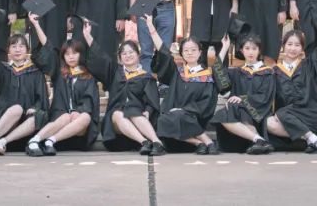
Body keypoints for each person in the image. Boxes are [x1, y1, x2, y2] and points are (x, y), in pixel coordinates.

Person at [265, 7, 317, 154]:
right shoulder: (274, 72)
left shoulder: (308, 65)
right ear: (283, 47)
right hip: (289, 118)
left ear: (302, 49)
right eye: (289, 44)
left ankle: (308, 138)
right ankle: (312, 139)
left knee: (281, 113)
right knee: (268, 122)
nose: (292, 48)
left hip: (310, 112)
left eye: (297, 45)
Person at [26, 15, 101, 155]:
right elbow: (48, 46)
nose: (71, 57)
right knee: (66, 116)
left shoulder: (88, 76)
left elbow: (89, 101)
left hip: (79, 129)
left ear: (81, 54)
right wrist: (36, 25)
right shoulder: (59, 73)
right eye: (67, 54)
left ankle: (50, 141)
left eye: (74, 53)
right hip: (60, 120)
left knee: (85, 116)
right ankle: (34, 141)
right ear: (63, 57)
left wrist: (78, 111)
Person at [85, 28, 167, 155]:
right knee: (117, 113)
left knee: (132, 111)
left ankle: (156, 142)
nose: (128, 55)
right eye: (124, 53)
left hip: (139, 122)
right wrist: (88, 37)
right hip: (117, 134)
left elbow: (152, 101)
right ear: (120, 58)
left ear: (138, 54)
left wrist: (148, 111)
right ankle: (145, 142)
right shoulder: (115, 72)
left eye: (131, 52)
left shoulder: (146, 77)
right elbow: (101, 58)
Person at [0, 28, 50, 156]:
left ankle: (2, 142)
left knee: (39, 117)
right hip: (4, 119)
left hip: (25, 125)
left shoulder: (35, 72)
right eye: (14, 46)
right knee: (16, 109)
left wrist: (35, 108)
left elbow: (42, 98)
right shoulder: (2, 69)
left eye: (21, 46)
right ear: (8, 50)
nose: (17, 50)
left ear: (27, 50)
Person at [151, 27, 221, 155]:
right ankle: (201, 143)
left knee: (178, 115)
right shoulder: (177, 72)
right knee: (161, 119)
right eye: (186, 50)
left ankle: (205, 142)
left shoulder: (207, 76)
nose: (190, 53)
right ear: (181, 53)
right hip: (174, 118)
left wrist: (184, 110)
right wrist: (151, 28)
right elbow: (165, 54)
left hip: (195, 118)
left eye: (193, 50)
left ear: (200, 53)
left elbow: (207, 103)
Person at [209, 35, 276, 154]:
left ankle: (258, 140)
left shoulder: (268, 72)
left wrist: (242, 99)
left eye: (254, 48)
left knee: (229, 111)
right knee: (225, 112)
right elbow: (219, 73)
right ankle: (259, 141)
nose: (251, 52)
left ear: (259, 51)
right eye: (247, 48)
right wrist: (224, 48)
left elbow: (265, 97)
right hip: (237, 112)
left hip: (257, 113)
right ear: (241, 50)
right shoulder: (237, 72)